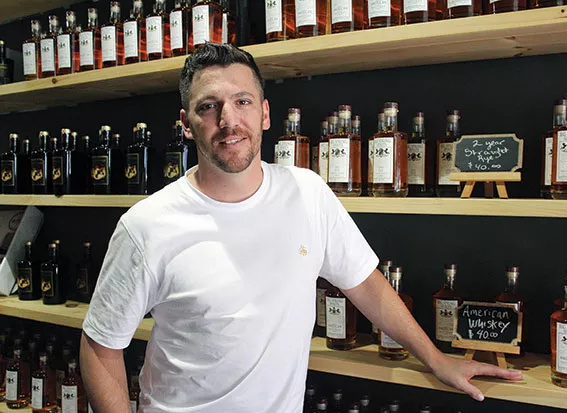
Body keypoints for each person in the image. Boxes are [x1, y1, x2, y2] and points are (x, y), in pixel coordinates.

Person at [80, 44, 522, 413]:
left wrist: (436, 359)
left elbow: (366, 285)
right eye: (209, 107)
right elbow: (100, 346)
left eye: (242, 102)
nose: (228, 120)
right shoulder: (147, 226)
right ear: (186, 124)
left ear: (265, 114)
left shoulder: (307, 193)